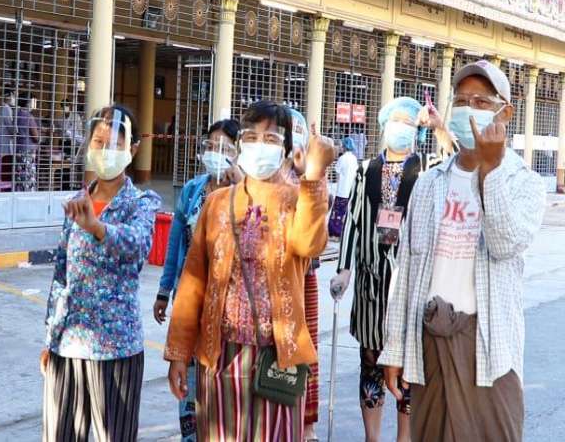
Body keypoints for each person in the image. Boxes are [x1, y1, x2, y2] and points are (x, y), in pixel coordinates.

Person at [379, 61, 545, 442]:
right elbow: (406, 270)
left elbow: (504, 243)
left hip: (488, 351)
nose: (469, 109)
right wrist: (395, 346)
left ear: (505, 113)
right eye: (461, 101)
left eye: (481, 102)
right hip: (429, 344)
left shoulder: (525, 184)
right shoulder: (429, 184)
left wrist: (490, 172)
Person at [165, 100, 335, 441]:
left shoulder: (297, 201)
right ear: (240, 144)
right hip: (220, 354)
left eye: (271, 138)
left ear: (286, 151)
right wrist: (179, 353)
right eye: (252, 137)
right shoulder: (216, 203)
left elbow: (310, 243)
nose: (260, 145)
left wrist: (315, 175)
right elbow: (193, 282)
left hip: (276, 358)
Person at [330, 95, 454, 442]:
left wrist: (440, 127)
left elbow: (459, 161)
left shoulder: (428, 168)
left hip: (411, 283)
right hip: (371, 284)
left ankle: (404, 437)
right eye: (395, 121)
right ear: (384, 126)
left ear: (417, 130)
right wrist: (344, 269)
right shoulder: (365, 169)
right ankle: (372, 437)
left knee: (409, 366)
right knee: (370, 361)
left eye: (408, 122)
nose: (401, 127)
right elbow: (354, 221)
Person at [41, 104, 161, 442]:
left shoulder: (141, 202)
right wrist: (50, 338)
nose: (105, 150)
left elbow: (138, 244)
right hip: (68, 345)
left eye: (115, 144)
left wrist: (98, 228)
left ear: (132, 149)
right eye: (98, 142)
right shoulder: (78, 201)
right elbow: (61, 275)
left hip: (116, 348)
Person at [153, 118, 241, 442]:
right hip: (191, 304)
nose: (215, 152)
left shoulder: (246, 194)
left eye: (224, 147)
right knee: (189, 393)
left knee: (222, 399)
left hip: (229, 313)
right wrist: (164, 291)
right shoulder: (192, 190)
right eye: (211, 145)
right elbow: (175, 245)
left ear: (238, 153)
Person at [284, 108, 321, 442]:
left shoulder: (306, 183)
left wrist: (311, 174)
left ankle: (304, 425)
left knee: (303, 350)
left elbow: (313, 240)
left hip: (301, 281)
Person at [328, 137, 358, 239]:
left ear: (344, 147)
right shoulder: (354, 159)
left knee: (337, 213)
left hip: (341, 190)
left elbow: (337, 172)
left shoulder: (342, 158)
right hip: (350, 190)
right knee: (346, 213)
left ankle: (335, 234)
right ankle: (343, 233)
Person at [15, 96, 41, 191]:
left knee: (20, 174)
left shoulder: (17, 114)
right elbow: (36, 137)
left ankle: (19, 191)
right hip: (28, 150)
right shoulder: (29, 117)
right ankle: (28, 194)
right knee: (28, 175)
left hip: (19, 149)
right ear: (28, 103)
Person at [0, 88, 17, 181]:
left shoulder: (0, 108)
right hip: (5, 142)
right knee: (6, 166)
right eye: (14, 96)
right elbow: (11, 128)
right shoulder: (6, 108)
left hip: (1, 141)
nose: (15, 98)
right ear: (8, 96)